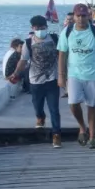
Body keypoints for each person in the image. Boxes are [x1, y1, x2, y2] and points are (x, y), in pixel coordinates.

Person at [56, 3, 95, 148]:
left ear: (89, 16)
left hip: (93, 74)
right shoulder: (67, 32)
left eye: (83, 16)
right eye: (78, 16)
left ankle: (92, 137)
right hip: (74, 74)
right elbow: (62, 54)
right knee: (73, 103)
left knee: (91, 105)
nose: (80, 19)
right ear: (74, 16)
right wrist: (61, 75)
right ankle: (82, 127)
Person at [12, 16, 63, 147]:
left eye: (42, 27)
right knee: (37, 105)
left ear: (46, 27)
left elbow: (62, 56)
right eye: (37, 28)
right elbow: (23, 61)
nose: (40, 30)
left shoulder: (54, 39)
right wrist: (15, 74)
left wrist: (64, 75)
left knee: (54, 109)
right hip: (35, 81)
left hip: (52, 80)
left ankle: (56, 134)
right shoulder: (28, 43)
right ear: (32, 28)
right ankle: (40, 117)